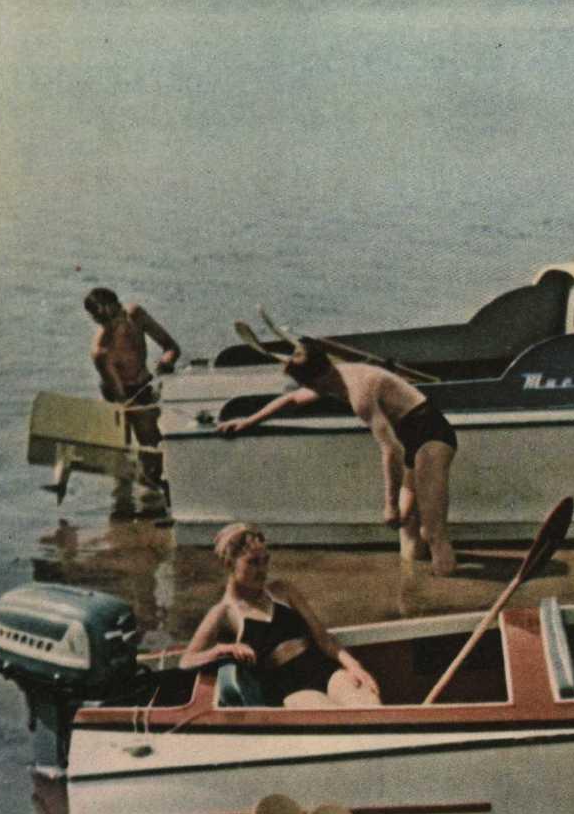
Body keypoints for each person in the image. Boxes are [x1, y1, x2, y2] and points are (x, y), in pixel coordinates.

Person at [219, 339, 457, 576]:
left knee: (433, 532)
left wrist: (390, 505)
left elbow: (391, 450)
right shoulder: (332, 374)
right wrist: (247, 422)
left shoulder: (360, 391)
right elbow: (291, 400)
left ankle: (446, 580)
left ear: (316, 380)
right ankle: (418, 587)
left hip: (431, 435)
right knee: (408, 533)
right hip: (409, 439)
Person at [180, 522, 380, 707]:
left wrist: (354, 667)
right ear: (229, 564)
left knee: (368, 704)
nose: (262, 570)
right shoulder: (223, 612)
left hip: (326, 672)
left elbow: (323, 638)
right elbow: (187, 661)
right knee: (331, 716)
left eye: (265, 560)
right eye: (253, 562)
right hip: (292, 690)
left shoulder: (282, 591)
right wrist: (224, 649)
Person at [84, 285, 181, 498]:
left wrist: (167, 361)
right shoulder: (101, 352)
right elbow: (123, 401)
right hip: (117, 395)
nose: (115, 324)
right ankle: (124, 502)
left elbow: (172, 347)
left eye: (116, 315)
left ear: (120, 306)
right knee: (121, 457)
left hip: (143, 386)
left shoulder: (137, 315)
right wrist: (142, 412)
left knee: (153, 450)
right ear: (96, 321)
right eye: (107, 321)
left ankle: (152, 494)